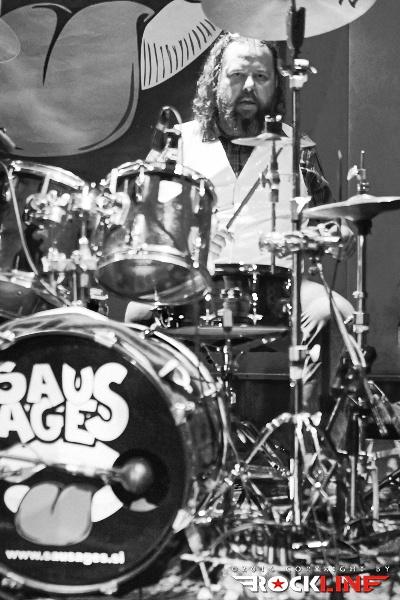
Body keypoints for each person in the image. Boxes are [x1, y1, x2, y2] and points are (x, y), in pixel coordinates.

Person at [126, 32, 354, 412]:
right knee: (138, 315)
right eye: (236, 75)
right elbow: (144, 225)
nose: (249, 86)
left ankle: (313, 437)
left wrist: (341, 232)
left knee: (334, 313)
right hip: (196, 284)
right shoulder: (178, 142)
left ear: (275, 84)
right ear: (215, 80)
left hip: (279, 287)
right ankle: (167, 434)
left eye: (260, 77)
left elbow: (326, 217)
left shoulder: (298, 146)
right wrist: (188, 236)